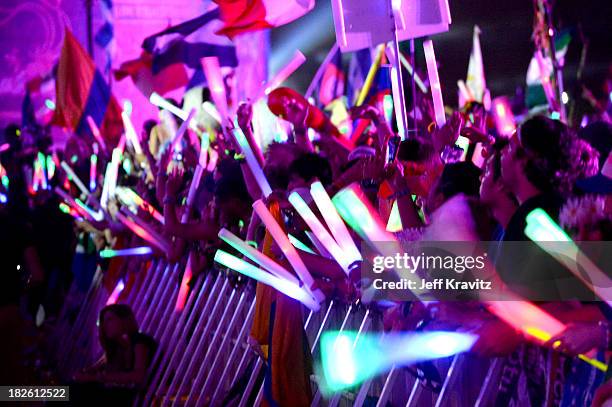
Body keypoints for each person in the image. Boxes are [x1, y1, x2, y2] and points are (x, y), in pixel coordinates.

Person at [70, 304, 156, 406]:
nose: (105, 325)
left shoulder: (140, 341)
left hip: (129, 397)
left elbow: (138, 376)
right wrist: (88, 374)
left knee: (70, 392)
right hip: (113, 393)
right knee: (63, 391)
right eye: (103, 321)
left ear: (124, 320)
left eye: (110, 319)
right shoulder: (116, 348)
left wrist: (96, 377)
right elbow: (94, 370)